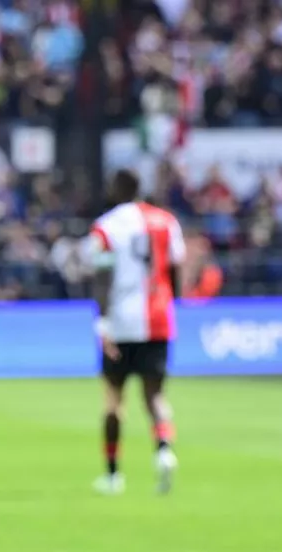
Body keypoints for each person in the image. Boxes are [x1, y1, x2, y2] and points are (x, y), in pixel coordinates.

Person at [87, 169, 185, 495]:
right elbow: (175, 267)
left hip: (121, 320)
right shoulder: (166, 221)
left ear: (116, 189)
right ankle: (163, 450)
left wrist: (101, 321)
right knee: (155, 396)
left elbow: (102, 276)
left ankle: (114, 476)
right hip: (158, 317)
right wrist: (174, 301)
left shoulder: (106, 226)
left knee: (114, 400)